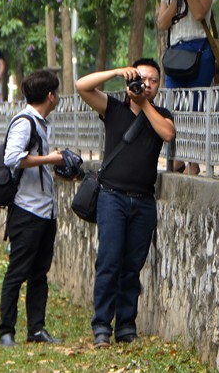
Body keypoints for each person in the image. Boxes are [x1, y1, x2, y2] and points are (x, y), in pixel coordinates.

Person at [75, 58, 176, 348]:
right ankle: (102, 327)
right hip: (112, 198)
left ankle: (126, 325)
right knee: (109, 261)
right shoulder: (114, 109)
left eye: (153, 81)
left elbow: (168, 134)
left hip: (144, 201)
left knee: (132, 266)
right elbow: (82, 86)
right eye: (140, 78)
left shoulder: (161, 113)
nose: (146, 84)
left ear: (158, 86)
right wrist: (118, 71)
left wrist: (144, 104)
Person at [0, 70, 68, 347]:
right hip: (27, 210)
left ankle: (36, 329)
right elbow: (12, 158)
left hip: (44, 210)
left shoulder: (40, 122)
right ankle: (6, 331)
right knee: (17, 272)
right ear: (50, 96)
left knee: (39, 273)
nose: (58, 97)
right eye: (57, 93)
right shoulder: (25, 122)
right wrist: (49, 158)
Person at [152, 0, 214, 176]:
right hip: (177, 56)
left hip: (200, 53)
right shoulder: (167, 0)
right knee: (174, 109)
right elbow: (162, 24)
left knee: (196, 108)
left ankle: (195, 162)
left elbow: (199, 14)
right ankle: (176, 159)